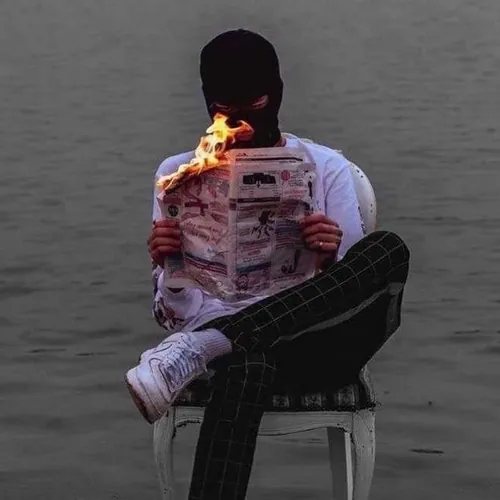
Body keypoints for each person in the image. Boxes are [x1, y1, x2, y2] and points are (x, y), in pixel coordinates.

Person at [125, 29, 410, 500]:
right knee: (248, 364)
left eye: (254, 104)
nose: (240, 123)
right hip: (238, 357)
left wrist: (330, 256)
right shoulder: (178, 176)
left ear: (275, 94)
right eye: (224, 109)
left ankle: (210, 344)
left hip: (320, 342)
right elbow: (173, 316)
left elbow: (354, 291)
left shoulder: (326, 168)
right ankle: (219, 341)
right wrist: (169, 267)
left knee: (388, 250)